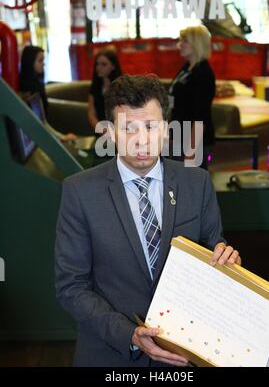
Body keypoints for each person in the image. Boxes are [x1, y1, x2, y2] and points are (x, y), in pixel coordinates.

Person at [55, 75, 241, 367]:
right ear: (111, 133)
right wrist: (129, 334)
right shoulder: (80, 191)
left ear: (166, 128)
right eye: (128, 128)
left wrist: (227, 263)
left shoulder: (197, 183)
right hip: (111, 354)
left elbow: (214, 247)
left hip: (186, 355)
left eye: (151, 126)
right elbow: (71, 286)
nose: (141, 140)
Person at [169, 25, 216, 169]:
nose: (180, 44)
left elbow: (200, 115)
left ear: (196, 44)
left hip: (193, 141)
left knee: (191, 186)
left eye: (185, 41)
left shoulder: (203, 73)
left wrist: (192, 150)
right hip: (180, 136)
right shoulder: (187, 68)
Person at [19, 45, 77, 143]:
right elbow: (39, 122)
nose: (43, 64)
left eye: (43, 60)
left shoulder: (36, 83)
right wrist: (61, 138)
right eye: (40, 61)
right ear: (30, 62)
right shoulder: (28, 89)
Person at [87, 46, 122, 130]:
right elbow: (91, 114)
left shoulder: (121, 87)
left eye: (104, 64)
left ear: (113, 66)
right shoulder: (95, 87)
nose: (99, 67)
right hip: (100, 132)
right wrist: (102, 130)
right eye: (97, 64)